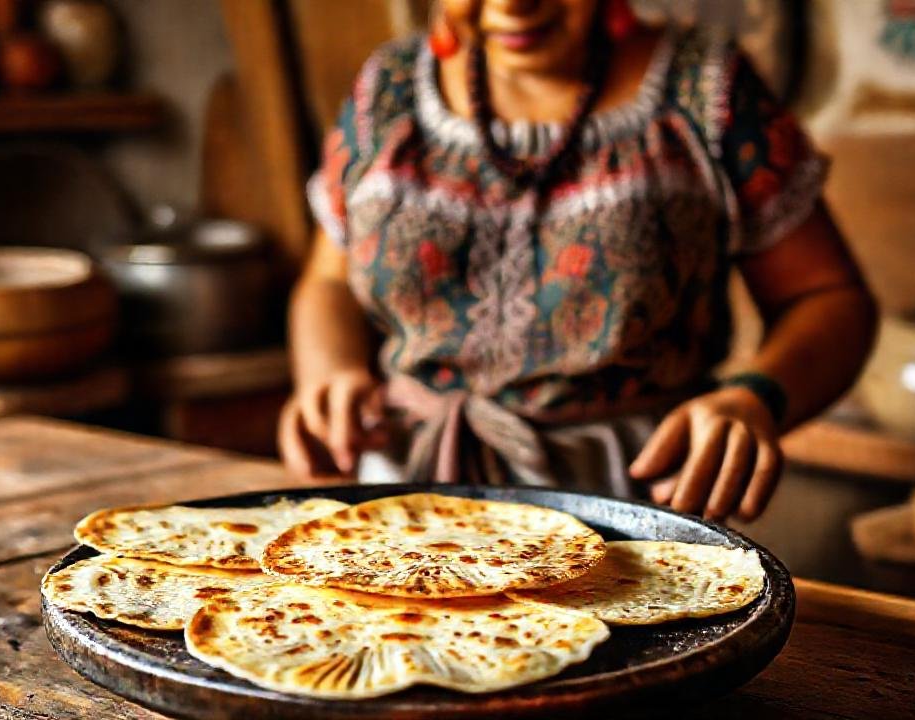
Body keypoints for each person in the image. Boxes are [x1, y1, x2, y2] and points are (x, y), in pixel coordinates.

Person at [279, 0, 877, 522]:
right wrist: (329, 371)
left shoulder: (708, 91)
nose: (512, 5)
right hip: (404, 497)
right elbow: (329, 282)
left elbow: (826, 298)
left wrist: (755, 397)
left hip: (632, 499)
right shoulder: (387, 90)